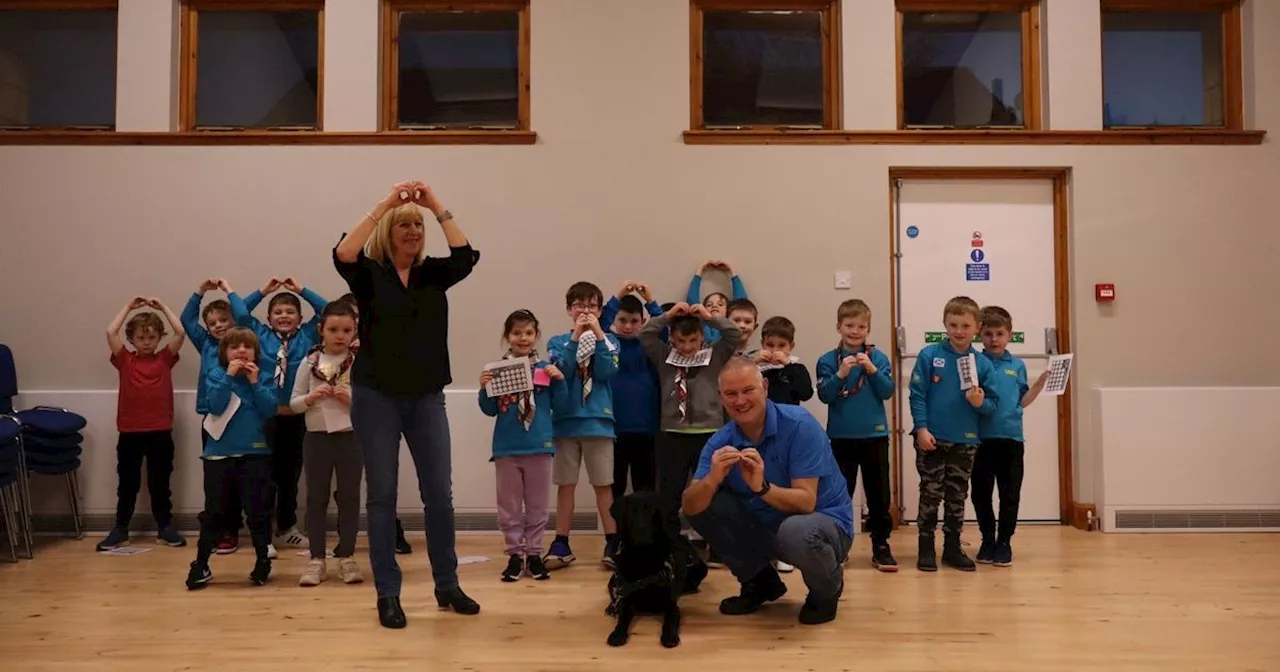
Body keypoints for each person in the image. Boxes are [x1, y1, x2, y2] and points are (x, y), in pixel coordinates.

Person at [334, 180, 481, 628]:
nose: (413, 231)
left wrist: (435, 204)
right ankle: (388, 594)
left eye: (418, 225)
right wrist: (386, 204)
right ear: (390, 233)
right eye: (405, 225)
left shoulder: (434, 272)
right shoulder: (369, 274)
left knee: (440, 495)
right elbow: (344, 252)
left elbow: (466, 255)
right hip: (376, 397)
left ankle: (447, 584)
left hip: (426, 397)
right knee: (381, 498)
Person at [682, 358, 853, 625]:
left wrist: (761, 488)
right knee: (705, 503)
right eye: (731, 394)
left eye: (748, 390)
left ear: (764, 387)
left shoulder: (799, 425)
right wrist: (711, 480)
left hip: (824, 528)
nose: (740, 401)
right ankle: (759, 582)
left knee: (796, 530)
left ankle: (826, 590)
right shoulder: (721, 440)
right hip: (768, 527)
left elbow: (807, 502)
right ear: (721, 397)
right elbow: (690, 508)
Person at [233, 277, 328, 554]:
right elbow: (239, 312)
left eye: (290, 312)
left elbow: (325, 309)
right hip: (264, 417)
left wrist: (301, 290)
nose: (284, 316)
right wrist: (264, 291)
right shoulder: (259, 336)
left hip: (297, 417)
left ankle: (286, 528)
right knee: (263, 475)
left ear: (299, 319)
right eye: (278, 312)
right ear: (269, 318)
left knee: (290, 474)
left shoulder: (309, 336)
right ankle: (262, 533)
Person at [908, 296, 999, 573]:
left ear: (976, 328)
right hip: (932, 438)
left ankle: (951, 548)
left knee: (957, 494)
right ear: (945, 325)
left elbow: (992, 404)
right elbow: (917, 395)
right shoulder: (929, 355)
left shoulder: (981, 363)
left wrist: (978, 403)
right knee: (931, 492)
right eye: (953, 324)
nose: (959, 331)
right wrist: (921, 428)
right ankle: (925, 547)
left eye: (965, 325)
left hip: (966, 440)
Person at [185, 327, 279, 590]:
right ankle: (201, 563)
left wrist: (255, 382)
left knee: (257, 511)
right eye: (234, 347)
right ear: (224, 353)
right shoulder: (216, 374)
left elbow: (270, 409)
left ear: (255, 353)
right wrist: (227, 377)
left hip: (255, 454)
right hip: (219, 455)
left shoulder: (263, 377)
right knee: (214, 512)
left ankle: (262, 561)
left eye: (247, 346)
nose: (241, 351)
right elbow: (214, 405)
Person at [478, 309, 568, 582]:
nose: (523, 338)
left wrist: (560, 381)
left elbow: (560, 405)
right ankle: (515, 555)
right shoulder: (498, 370)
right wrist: (484, 389)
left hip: (539, 446)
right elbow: (489, 410)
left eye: (529, 333)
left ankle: (535, 554)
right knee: (509, 506)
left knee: (539, 505)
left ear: (536, 336)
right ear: (508, 337)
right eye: (517, 333)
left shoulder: (545, 369)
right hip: (507, 448)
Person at [97, 296, 187, 551]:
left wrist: (162, 308)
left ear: (158, 338)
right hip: (130, 432)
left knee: (160, 483)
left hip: (160, 431)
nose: (146, 342)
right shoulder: (125, 359)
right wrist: (128, 307)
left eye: (151, 337)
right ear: (132, 340)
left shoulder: (165, 359)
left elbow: (180, 332)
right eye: (140, 338)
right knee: (128, 483)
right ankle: (121, 528)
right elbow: (109, 331)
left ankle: (165, 527)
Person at [815, 299, 897, 572]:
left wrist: (872, 371)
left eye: (861, 326)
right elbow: (825, 395)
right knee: (840, 494)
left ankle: (881, 545)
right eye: (849, 325)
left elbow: (888, 391)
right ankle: (838, 544)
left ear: (868, 329)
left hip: (874, 435)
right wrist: (841, 373)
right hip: (841, 437)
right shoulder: (827, 360)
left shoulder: (878, 358)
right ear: (839, 327)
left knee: (878, 494)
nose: (855, 331)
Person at [543, 282, 621, 570]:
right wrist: (576, 337)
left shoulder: (611, 341)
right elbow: (559, 372)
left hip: (598, 423)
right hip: (565, 421)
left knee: (603, 486)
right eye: (579, 305)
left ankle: (613, 542)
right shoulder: (557, 341)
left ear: (601, 310)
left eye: (591, 306)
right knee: (566, 485)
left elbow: (607, 370)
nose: (585, 311)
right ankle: (561, 542)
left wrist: (598, 335)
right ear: (568, 309)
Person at [639, 302, 740, 518]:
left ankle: (714, 546)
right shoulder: (664, 356)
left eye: (693, 340)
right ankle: (670, 545)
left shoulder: (714, 355)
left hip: (709, 433)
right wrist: (667, 316)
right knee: (669, 495)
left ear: (702, 335)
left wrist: (709, 317)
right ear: (672, 339)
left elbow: (733, 334)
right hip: (673, 435)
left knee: (712, 491)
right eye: (681, 341)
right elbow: (646, 335)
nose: (687, 346)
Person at [332, 292, 413, 555]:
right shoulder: (333, 347)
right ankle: (346, 537)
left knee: (382, 481)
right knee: (345, 485)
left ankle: (393, 532)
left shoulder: (379, 342)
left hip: (376, 419)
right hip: (339, 422)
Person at [290, 301, 364, 587]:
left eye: (347, 330)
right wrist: (310, 398)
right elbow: (294, 403)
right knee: (315, 498)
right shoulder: (308, 363)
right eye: (333, 329)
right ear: (321, 330)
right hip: (317, 439)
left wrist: (351, 401)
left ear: (355, 331)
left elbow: (372, 406)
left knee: (349, 498)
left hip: (350, 438)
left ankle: (346, 556)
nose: (340, 335)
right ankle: (316, 560)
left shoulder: (359, 363)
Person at [974, 305, 1048, 567]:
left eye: (1000, 334)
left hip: (1011, 440)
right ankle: (987, 540)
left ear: (1009, 335)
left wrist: (1038, 387)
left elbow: (1021, 401)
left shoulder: (1017, 366)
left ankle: (1004, 542)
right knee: (981, 493)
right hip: (980, 440)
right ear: (980, 335)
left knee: (1009, 494)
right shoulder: (974, 362)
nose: (994, 339)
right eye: (988, 334)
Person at [181, 278, 246, 554]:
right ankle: (217, 527)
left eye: (223, 319)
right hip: (212, 419)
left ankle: (233, 528)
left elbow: (244, 314)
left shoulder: (244, 343)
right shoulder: (206, 343)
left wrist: (230, 290)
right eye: (213, 322)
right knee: (215, 477)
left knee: (238, 475)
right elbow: (186, 319)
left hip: (241, 419)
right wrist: (200, 291)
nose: (219, 326)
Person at [600, 282, 663, 500]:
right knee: (614, 488)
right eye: (622, 320)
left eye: (634, 321)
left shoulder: (650, 344)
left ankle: (643, 534)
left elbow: (667, 330)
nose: (628, 326)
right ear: (614, 321)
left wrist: (651, 301)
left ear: (643, 322)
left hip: (646, 429)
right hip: (613, 429)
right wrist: (618, 296)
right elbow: (598, 325)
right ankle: (614, 534)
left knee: (645, 488)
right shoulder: (607, 343)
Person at [685, 259, 749, 343]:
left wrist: (732, 272)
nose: (714, 306)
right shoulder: (702, 324)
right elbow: (692, 303)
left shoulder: (730, 324)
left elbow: (741, 304)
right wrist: (700, 271)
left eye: (720, 304)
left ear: (729, 310)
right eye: (709, 305)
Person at [754, 316, 813, 407]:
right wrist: (753, 364)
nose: (775, 350)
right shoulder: (758, 368)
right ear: (762, 344)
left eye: (781, 345)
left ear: (791, 346)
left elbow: (806, 395)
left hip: (789, 417)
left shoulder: (797, 369)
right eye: (770, 345)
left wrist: (788, 365)